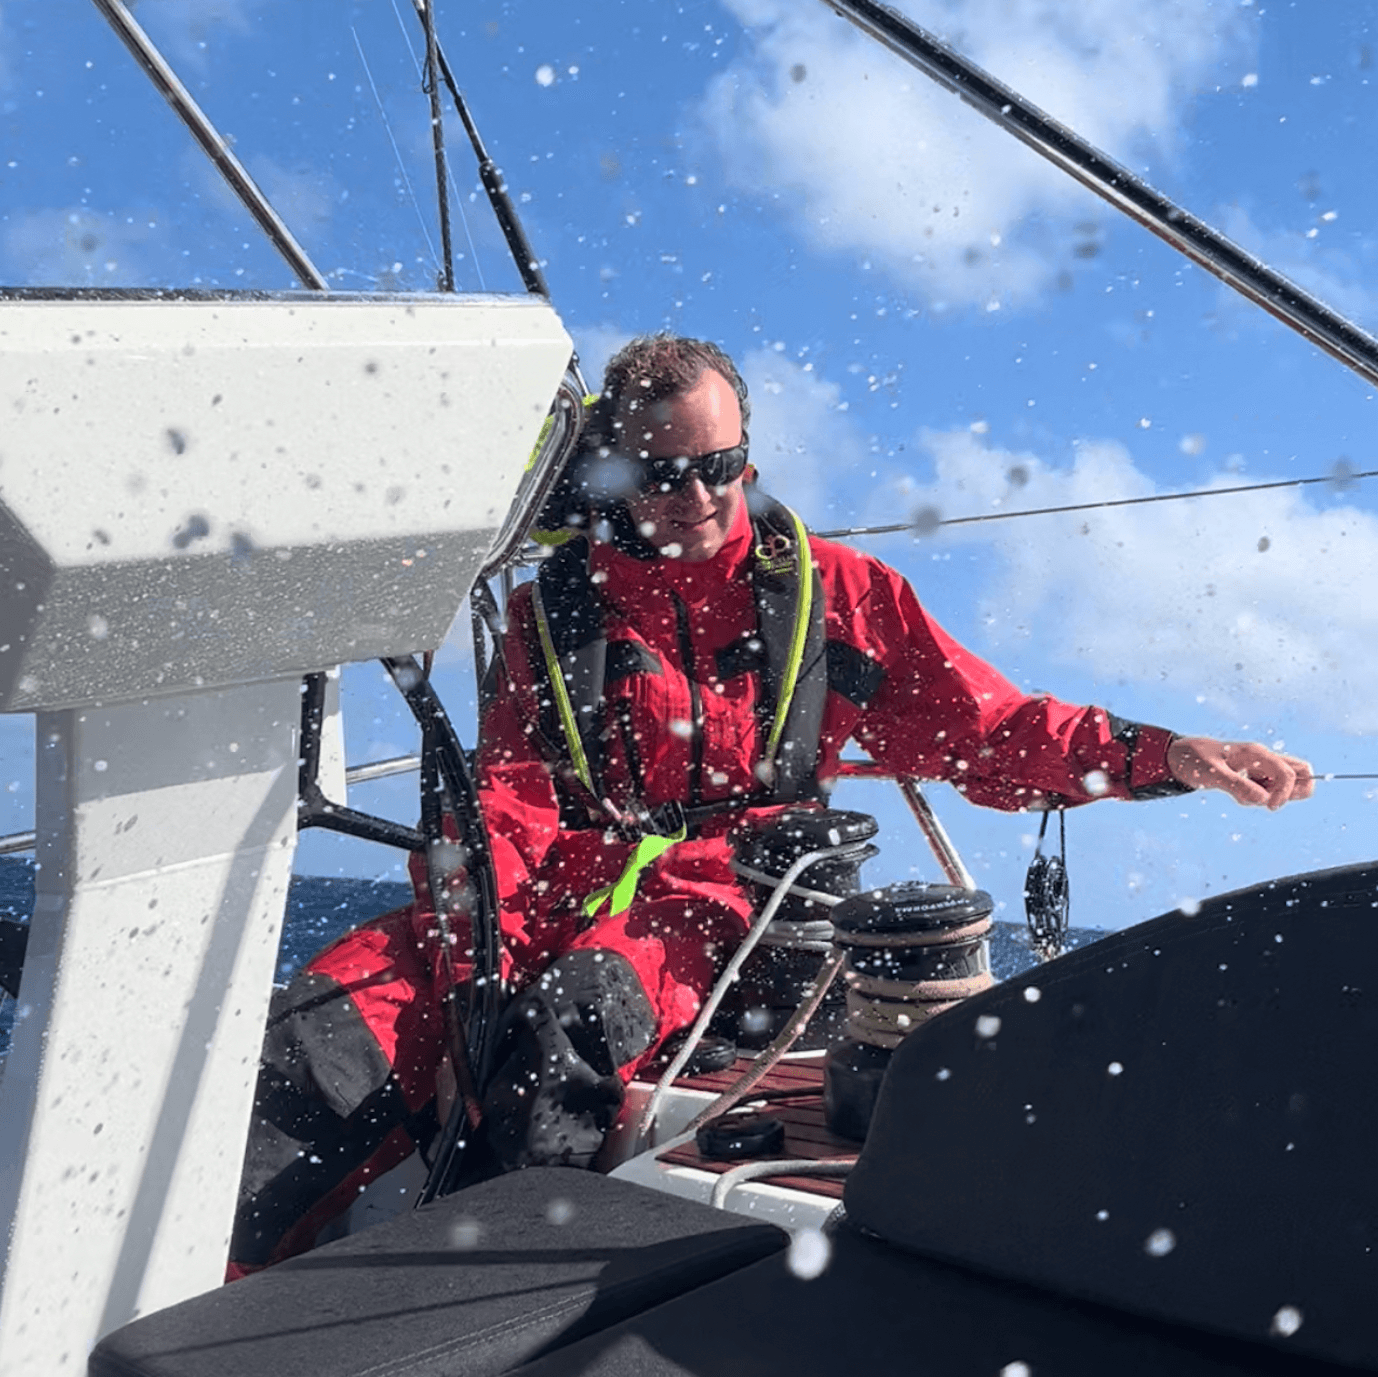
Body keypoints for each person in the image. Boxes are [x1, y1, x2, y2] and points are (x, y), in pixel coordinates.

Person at [228, 334, 1312, 1273]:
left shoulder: (838, 597)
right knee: (314, 1046)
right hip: (546, 882)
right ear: (611, 471)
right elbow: (510, 787)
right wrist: (478, 933)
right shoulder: (546, 615)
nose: (698, 498)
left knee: (570, 1027)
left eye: (723, 465)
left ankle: (452, 1307)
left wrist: (1162, 756)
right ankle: (215, 1304)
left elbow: (986, 730)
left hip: (726, 900)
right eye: (664, 474)